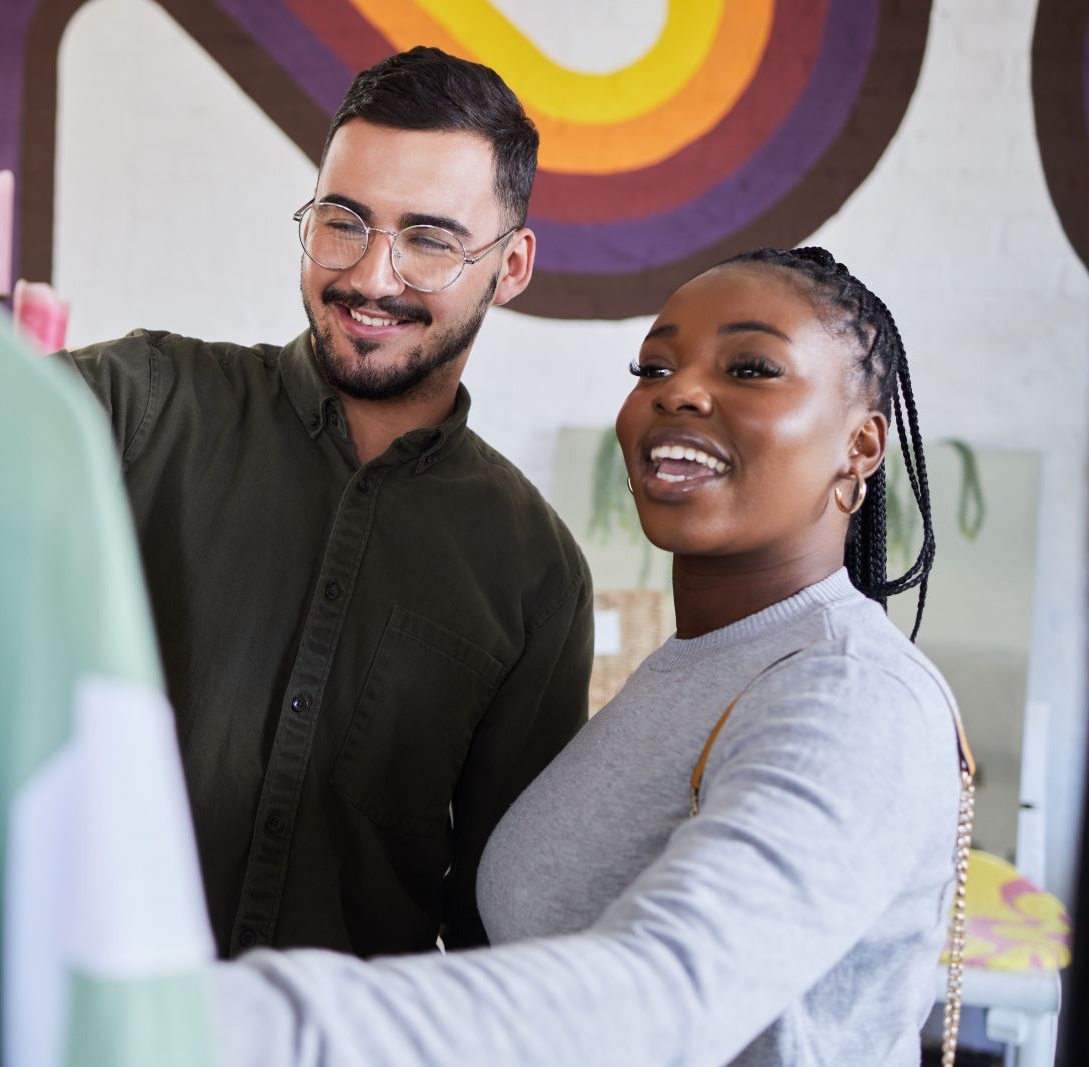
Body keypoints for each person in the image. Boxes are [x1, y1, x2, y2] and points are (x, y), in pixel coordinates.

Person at [210, 247, 970, 1066]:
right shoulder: (695, 670)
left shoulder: (856, 694)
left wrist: (204, 1018)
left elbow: (666, 995)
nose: (675, 389)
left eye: (751, 368)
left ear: (861, 446)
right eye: (653, 366)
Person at [56, 47, 594, 959]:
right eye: (344, 221)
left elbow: (500, 938)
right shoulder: (141, 400)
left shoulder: (536, 574)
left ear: (511, 267)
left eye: (429, 239)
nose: (371, 277)